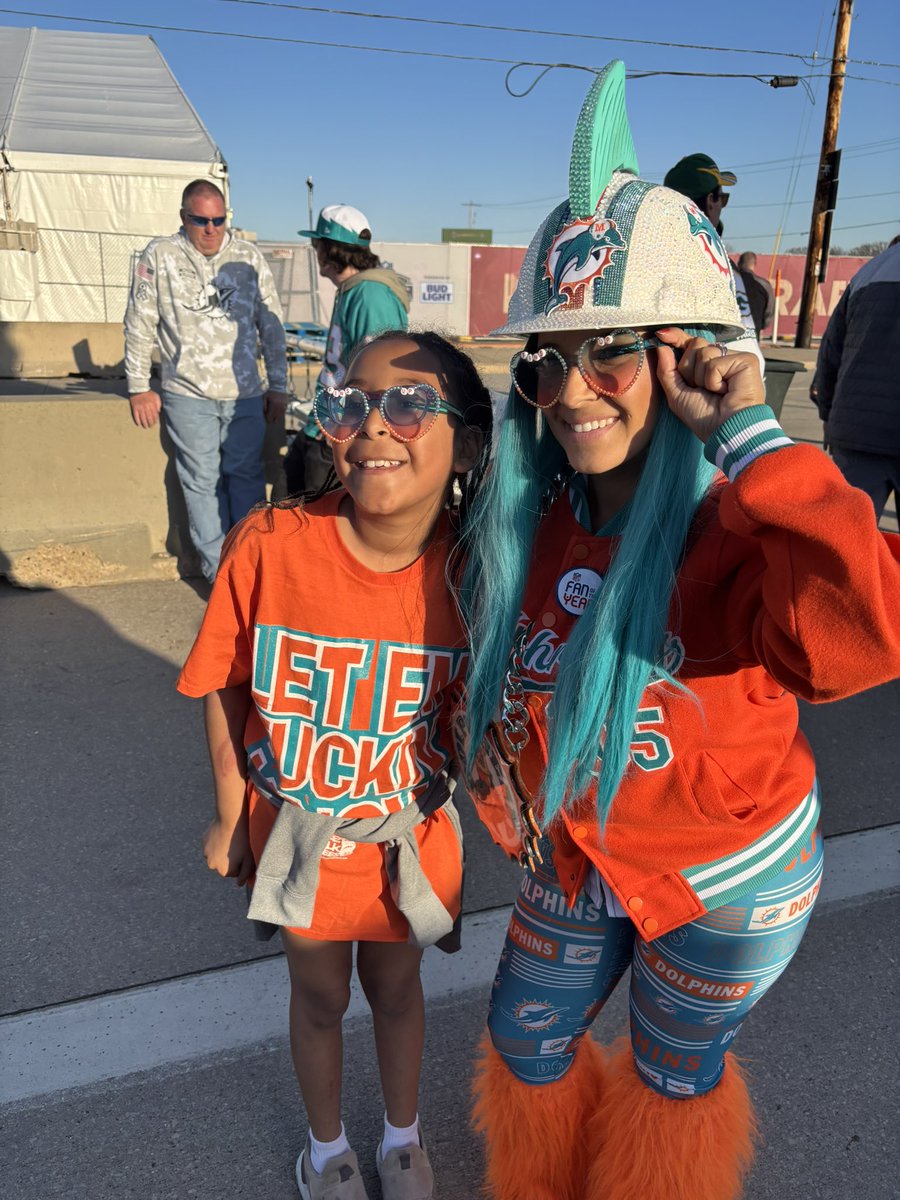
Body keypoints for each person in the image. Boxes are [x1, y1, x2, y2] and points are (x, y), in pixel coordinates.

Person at [456, 62, 900, 1200]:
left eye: (613, 352)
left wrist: (752, 434)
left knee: (669, 1078)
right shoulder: (531, 516)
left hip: (725, 879)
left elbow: (861, 637)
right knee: (524, 1043)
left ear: (687, 354)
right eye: (547, 362)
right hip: (582, 851)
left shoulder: (737, 520)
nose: (572, 391)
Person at [177, 330, 491, 1200]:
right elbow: (222, 679)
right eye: (351, 404)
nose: (374, 426)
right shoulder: (271, 544)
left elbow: (489, 713)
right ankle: (326, 1151)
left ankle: (401, 1137)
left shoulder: (478, 573)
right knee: (319, 996)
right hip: (302, 835)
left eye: (410, 404)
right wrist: (231, 804)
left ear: (465, 440)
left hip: (407, 836)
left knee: (398, 988)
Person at [125, 179, 290, 583]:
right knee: (201, 483)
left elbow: (271, 326)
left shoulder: (248, 258)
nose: (211, 229)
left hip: (245, 396)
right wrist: (138, 385)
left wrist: (280, 385)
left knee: (246, 476)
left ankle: (249, 569)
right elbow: (140, 322)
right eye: (201, 220)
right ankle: (220, 576)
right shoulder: (159, 256)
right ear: (185, 217)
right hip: (187, 395)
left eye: (219, 220)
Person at [283, 204, 411, 495]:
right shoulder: (354, 289)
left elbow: (384, 375)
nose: (316, 252)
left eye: (317, 245)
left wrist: (346, 428)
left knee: (314, 524)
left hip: (339, 432)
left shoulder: (371, 296)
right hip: (324, 426)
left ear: (330, 250)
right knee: (285, 503)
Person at [810, 239, 900, 526]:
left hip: (856, 431)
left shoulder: (869, 272)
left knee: (849, 545)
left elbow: (830, 352)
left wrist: (827, 414)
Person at [664, 153, 762, 351]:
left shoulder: (652, 261)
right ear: (711, 201)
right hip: (724, 377)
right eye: (722, 199)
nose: (722, 207)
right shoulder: (724, 269)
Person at [737, 251, 775, 336]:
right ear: (754, 264)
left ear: (738, 263)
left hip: (731, 333)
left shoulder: (730, 281)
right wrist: (761, 325)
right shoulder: (764, 285)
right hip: (754, 332)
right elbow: (769, 310)